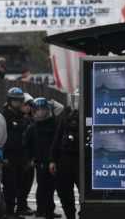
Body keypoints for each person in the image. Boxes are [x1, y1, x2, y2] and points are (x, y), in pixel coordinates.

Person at [25, 98, 61, 219]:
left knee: (58, 188)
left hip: (55, 162)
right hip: (40, 163)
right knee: (44, 189)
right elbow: (27, 146)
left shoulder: (56, 126)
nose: (40, 112)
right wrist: (31, 158)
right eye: (38, 110)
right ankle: (45, 211)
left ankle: (48, 210)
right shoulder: (32, 128)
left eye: (43, 109)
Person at [50, 90, 80, 219]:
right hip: (64, 159)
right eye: (76, 100)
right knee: (65, 192)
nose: (78, 103)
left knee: (84, 191)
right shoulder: (66, 119)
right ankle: (70, 215)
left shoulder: (91, 118)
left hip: (81, 160)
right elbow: (56, 140)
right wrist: (52, 160)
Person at [1, 88, 28, 219]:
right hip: (9, 156)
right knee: (9, 185)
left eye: (19, 100)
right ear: (9, 101)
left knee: (18, 184)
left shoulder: (21, 117)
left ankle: (14, 211)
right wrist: (4, 156)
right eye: (14, 100)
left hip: (20, 156)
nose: (17, 103)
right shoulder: (4, 116)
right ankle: (9, 212)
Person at [16, 93, 34, 216]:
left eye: (29, 105)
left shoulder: (30, 119)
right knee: (20, 184)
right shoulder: (18, 119)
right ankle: (20, 207)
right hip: (20, 156)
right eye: (25, 105)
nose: (27, 107)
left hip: (28, 155)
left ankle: (24, 206)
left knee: (27, 184)